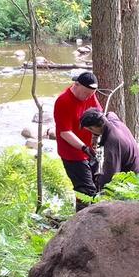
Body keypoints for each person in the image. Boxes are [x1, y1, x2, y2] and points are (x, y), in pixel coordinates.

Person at [54, 71, 102, 209]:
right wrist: (84, 148)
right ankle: (81, 222)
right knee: (86, 190)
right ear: (76, 85)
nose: (88, 97)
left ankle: (92, 218)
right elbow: (65, 133)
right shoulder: (63, 101)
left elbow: (98, 116)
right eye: (86, 93)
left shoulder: (90, 96)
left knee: (96, 185)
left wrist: (94, 140)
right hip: (72, 154)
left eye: (91, 95)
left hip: (89, 151)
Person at [78, 108, 139, 192]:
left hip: (136, 180)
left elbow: (111, 177)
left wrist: (100, 190)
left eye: (90, 130)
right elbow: (110, 113)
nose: (92, 134)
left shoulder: (111, 144)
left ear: (93, 128)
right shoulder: (112, 119)